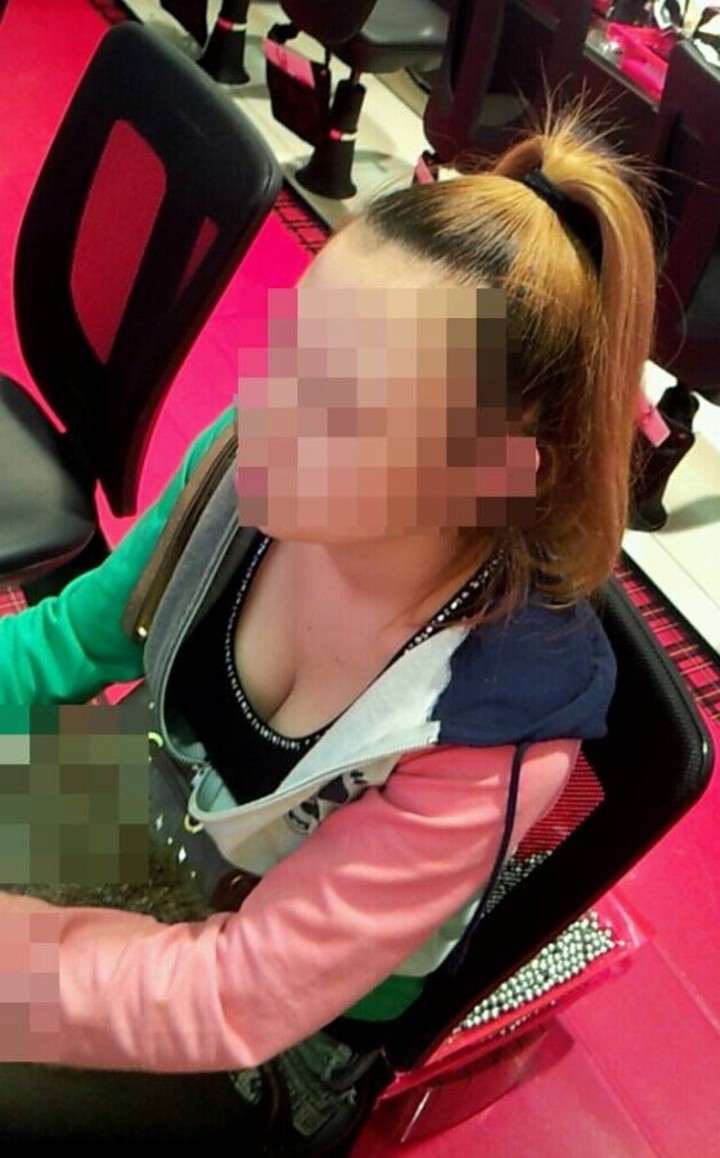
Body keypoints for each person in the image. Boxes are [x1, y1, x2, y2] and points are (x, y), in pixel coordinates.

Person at [0, 107, 656, 1147]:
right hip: (148, 791)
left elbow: (238, 996)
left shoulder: (491, 726)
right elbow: (68, 643)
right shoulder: (240, 470)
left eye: (348, 409)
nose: (269, 415)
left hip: (276, 1025)